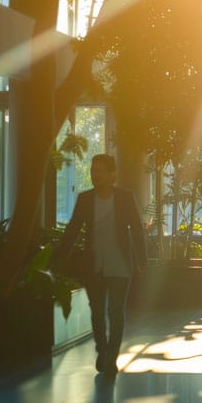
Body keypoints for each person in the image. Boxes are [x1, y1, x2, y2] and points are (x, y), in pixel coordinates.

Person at [55, 154, 147, 375]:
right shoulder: (85, 199)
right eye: (93, 170)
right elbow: (73, 229)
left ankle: (111, 357)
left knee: (116, 312)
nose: (95, 175)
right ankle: (102, 351)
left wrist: (142, 261)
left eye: (100, 171)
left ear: (112, 174)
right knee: (96, 312)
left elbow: (136, 228)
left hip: (120, 264)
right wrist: (59, 258)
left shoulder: (125, 198)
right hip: (94, 265)